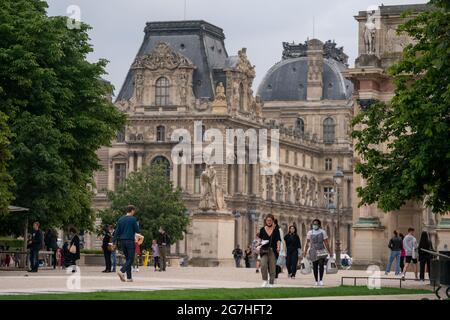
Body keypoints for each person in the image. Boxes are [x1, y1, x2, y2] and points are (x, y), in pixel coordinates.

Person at [113, 205, 140, 282]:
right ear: (131, 210)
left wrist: (114, 241)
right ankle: (122, 271)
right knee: (131, 259)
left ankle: (129, 277)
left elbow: (117, 232)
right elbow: (137, 230)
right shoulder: (133, 219)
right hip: (130, 241)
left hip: (122, 241)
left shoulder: (120, 219)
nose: (134, 213)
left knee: (128, 258)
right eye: (134, 211)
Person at [303, 219, 332, 286]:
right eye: (313, 224)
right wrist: (305, 251)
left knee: (321, 264)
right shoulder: (310, 232)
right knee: (315, 266)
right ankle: (316, 280)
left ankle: (321, 279)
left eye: (316, 224)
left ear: (319, 225)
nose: (314, 225)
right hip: (313, 250)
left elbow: (326, 242)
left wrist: (329, 251)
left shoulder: (323, 232)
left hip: (321, 249)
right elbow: (307, 243)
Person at [258, 214, 281, 288]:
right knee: (263, 265)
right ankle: (264, 280)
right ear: (265, 221)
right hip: (264, 250)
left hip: (273, 250)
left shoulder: (276, 230)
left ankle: (271, 282)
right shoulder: (262, 229)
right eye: (267, 220)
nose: (269, 222)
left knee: (272, 267)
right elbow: (259, 239)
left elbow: (278, 240)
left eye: (270, 220)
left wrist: (278, 247)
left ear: (272, 221)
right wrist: (259, 244)